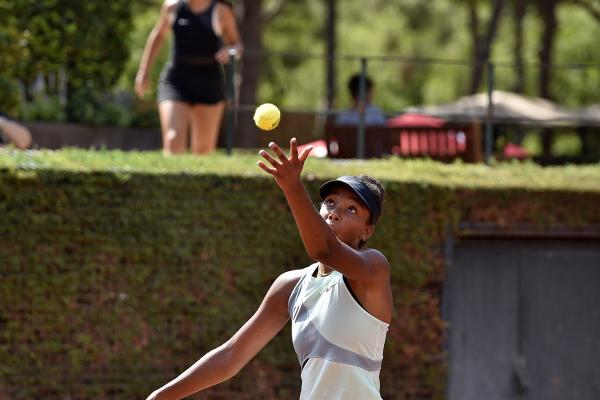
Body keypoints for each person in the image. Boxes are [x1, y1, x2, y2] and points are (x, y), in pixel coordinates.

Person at [146, 138, 392, 400]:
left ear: (367, 231)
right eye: (330, 202)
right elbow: (231, 356)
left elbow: (324, 250)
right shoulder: (292, 286)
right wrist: (160, 396)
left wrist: (292, 187)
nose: (334, 213)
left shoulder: (374, 269)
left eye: (351, 209)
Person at [135, 0, 243, 155]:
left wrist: (230, 51)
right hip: (176, 80)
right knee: (173, 139)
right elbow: (158, 36)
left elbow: (237, 44)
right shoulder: (172, 7)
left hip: (209, 81)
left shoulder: (221, 10)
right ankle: (170, 179)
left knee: (203, 151)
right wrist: (143, 72)